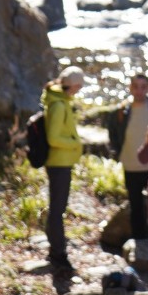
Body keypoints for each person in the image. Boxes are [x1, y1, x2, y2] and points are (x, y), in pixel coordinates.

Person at [105, 70, 148, 250]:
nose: (139, 91)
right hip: (130, 163)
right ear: (130, 88)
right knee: (135, 204)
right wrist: (116, 153)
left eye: (143, 87)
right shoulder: (121, 111)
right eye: (136, 87)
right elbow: (113, 134)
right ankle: (139, 239)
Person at [42, 67, 85, 271]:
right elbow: (53, 137)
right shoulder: (59, 105)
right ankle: (58, 253)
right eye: (79, 85)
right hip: (58, 162)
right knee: (57, 210)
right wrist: (74, 143)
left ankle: (56, 249)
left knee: (57, 208)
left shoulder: (61, 101)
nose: (80, 89)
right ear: (73, 85)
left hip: (62, 162)